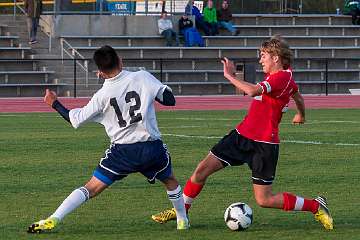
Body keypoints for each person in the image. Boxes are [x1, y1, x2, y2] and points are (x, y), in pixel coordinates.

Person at [151, 36, 334, 231]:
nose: (260, 60)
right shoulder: (285, 77)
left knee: (264, 199)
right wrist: (300, 114)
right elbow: (297, 96)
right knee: (201, 171)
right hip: (241, 136)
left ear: (276, 57)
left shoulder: (281, 77)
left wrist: (230, 76)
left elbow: (254, 91)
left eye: (263, 56)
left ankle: (315, 205)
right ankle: (182, 211)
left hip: (264, 145)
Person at [27, 45, 189, 233]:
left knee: (91, 188)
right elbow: (170, 100)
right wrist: (150, 92)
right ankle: (182, 220)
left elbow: (74, 119)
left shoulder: (102, 95)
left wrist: (54, 103)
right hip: (151, 148)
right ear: (120, 60)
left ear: (100, 72)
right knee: (170, 181)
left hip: (122, 152)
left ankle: (53, 218)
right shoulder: (142, 77)